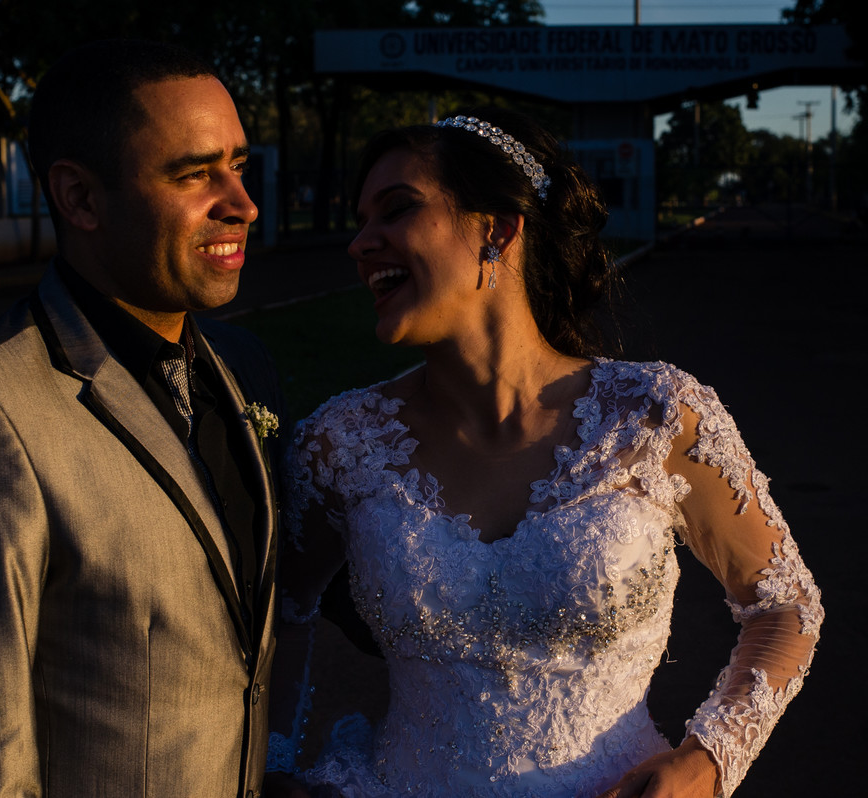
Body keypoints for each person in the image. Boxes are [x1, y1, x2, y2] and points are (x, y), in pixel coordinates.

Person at [267, 110, 823, 798]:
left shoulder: (654, 414)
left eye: (397, 209)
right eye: (358, 220)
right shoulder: (341, 443)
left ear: (497, 229)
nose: (359, 243)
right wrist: (278, 764)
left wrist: (706, 761)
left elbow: (785, 605)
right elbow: (274, 618)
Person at [0, 40, 285, 797]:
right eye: (194, 174)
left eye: (239, 165)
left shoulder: (242, 366)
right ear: (81, 199)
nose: (242, 203)